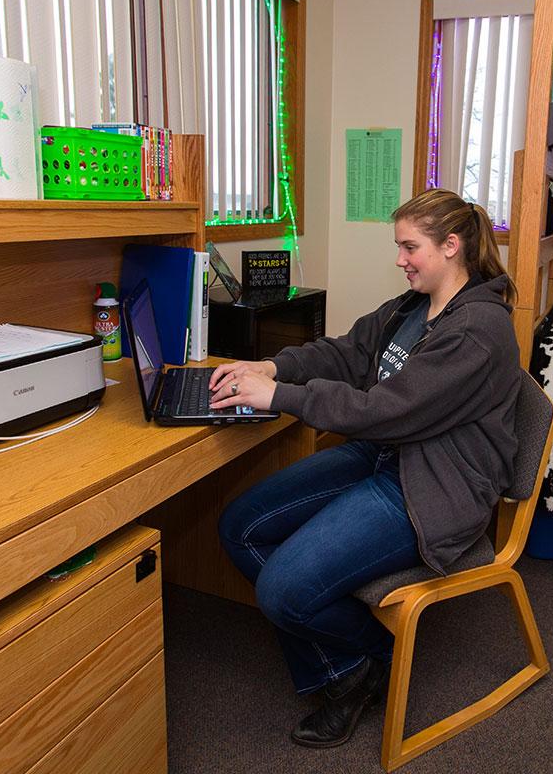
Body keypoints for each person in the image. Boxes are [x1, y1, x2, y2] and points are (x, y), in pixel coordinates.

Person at [209, 188, 522, 749]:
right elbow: (348, 353)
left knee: (281, 592)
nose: (400, 259)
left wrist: (278, 394)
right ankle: (349, 663)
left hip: (432, 487)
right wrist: (271, 363)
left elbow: (388, 411)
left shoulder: (477, 330)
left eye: (410, 247)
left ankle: (370, 660)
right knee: (240, 527)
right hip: (386, 456)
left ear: (452, 246)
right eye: (398, 246)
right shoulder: (414, 306)